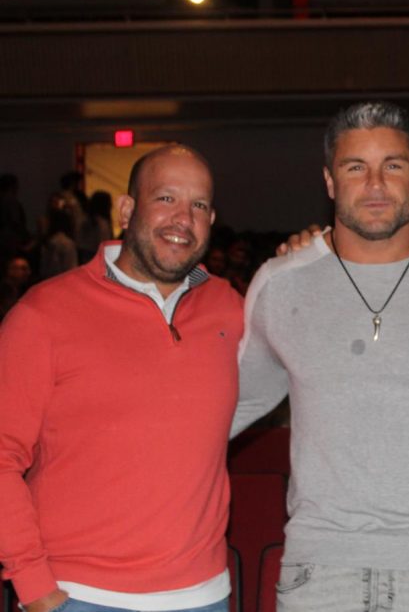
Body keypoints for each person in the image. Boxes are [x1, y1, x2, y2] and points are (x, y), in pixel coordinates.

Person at [232, 101, 409, 612]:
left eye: (394, 165)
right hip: (317, 571)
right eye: (355, 167)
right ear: (330, 181)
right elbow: (227, 408)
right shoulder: (280, 284)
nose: (376, 184)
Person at [0, 144, 243, 612]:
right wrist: (36, 589)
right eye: (166, 199)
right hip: (79, 596)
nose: (183, 219)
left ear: (211, 220)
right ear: (127, 209)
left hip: (204, 596)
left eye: (199, 205)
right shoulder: (43, 314)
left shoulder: (229, 307)